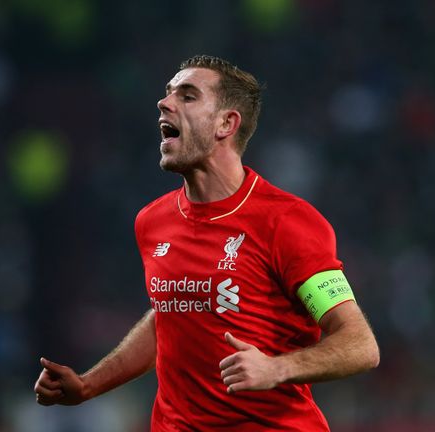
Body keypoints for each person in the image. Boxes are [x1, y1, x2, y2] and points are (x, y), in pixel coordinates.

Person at [34, 55, 380, 431]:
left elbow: (360, 344)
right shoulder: (152, 221)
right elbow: (169, 319)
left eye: (188, 96)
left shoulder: (287, 222)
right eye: (168, 94)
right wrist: (88, 385)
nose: (164, 103)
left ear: (226, 124)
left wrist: (278, 367)